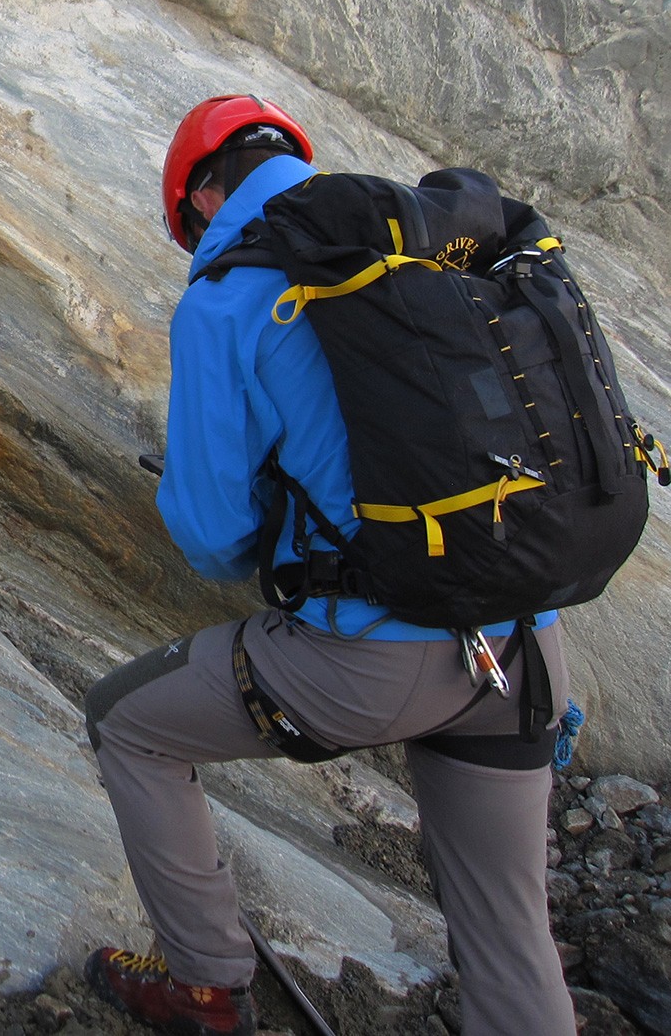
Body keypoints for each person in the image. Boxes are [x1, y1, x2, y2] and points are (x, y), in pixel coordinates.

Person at [80, 95, 574, 1036]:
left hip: (375, 666)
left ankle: (205, 990)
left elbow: (210, 534)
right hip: (526, 636)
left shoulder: (228, 294)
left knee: (126, 724)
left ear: (202, 195)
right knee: (512, 938)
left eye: (188, 221)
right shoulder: (419, 241)